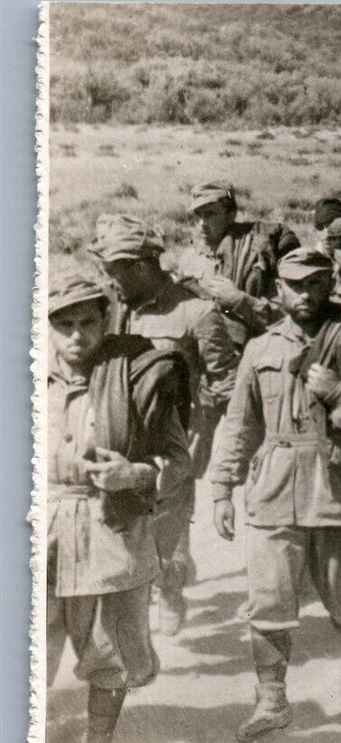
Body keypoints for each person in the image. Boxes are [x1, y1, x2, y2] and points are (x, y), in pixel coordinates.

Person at [210, 248, 341, 740]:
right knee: (268, 596)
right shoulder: (261, 347)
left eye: (316, 283)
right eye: (295, 285)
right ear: (279, 290)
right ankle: (272, 699)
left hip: (339, 485)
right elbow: (239, 423)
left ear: (330, 283)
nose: (306, 294)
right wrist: (221, 489)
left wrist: (340, 394)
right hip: (273, 485)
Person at [45, 273, 190, 743]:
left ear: (106, 322)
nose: (77, 337)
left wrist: (136, 474)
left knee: (108, 654)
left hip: (111, 532)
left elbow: (178, 460)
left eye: (87, 323)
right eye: (64, 325)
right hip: (43, 530)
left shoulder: (135, 376)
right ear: (48, 329)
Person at [90, 214, 238, 637]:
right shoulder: (112, 309)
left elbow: (226, 383)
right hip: (120, 434)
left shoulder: (196, 313)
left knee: (167, 526)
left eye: (114, 272)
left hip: (176, 441)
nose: (110, 281)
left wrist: (200, 429)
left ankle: (171, 591)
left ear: (140, 267)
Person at [174, 181, 300, 349]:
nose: (202, 223)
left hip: (252, 352)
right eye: (198, 215)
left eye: (210, 214)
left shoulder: (258, 253)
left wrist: (239, 300)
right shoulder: (189, 259)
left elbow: (285, 317)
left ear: (231, 215)